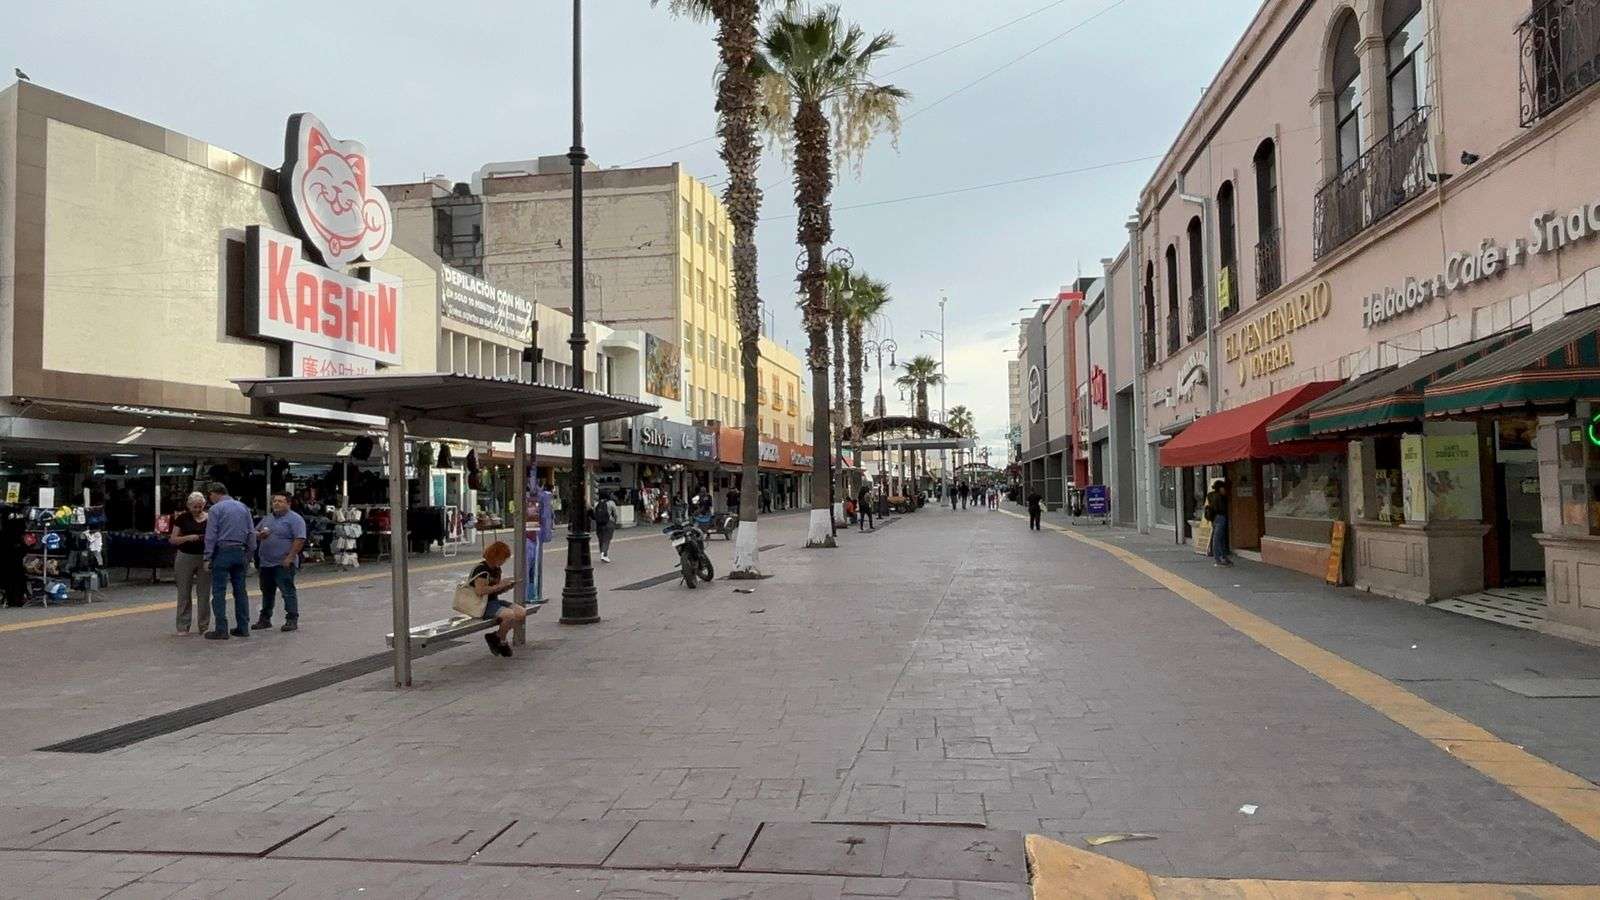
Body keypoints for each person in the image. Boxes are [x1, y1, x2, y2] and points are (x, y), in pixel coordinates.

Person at [202, 482, 256, 640]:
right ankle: (243, 627)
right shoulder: (243, 508)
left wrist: (207, 557)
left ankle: (221, 629)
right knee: (240, 591)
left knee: (219, 592)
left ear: (214, 493)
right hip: (240, 552)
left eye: (209, 495)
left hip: (222, 552)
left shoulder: (215, 509)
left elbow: (211, 535)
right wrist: (248, 555)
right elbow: (251, 533)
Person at [254, 492, 307, 632]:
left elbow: (300, 539)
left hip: (283, 563)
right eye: (274, 501)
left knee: (287, 592)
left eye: (280, 501)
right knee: (267, 592)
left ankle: (291, 619)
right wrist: (259, 535)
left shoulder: (295, 519)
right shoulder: (267, 518)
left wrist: (290, 557)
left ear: (288, 503)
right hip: (266, 563)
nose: (276, 504)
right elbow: (255, 532)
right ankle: (265, 619)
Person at [468, 540, 524, 657]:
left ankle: (496, 636)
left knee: (520, 612)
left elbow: (495, 590)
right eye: (502, 558)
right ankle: (502, 642)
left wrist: (506, 587)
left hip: (493, 601)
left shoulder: (497, 569)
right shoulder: (482, 570)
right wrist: (499, 585)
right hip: (481, 604)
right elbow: (480, 591)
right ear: (495, 556)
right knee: (509, 615)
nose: (504, 561)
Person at [170, 492, 210, 635]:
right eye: (194, 507)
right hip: (185, 556)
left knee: (204, 593)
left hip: (204, 557)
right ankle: (183, 626)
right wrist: (187, 538)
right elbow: (173, 539)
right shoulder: (182, 518)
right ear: (188, 506)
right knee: (184, 592)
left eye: (200, 506)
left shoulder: (210, 518)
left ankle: (204, 625)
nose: (197, 509)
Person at [1204, 478, 1233, 566]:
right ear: (1220, 488)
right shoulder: (1220, 497)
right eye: (1223, 488)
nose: (1225, 490)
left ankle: (1222, 557)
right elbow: (1221, 508)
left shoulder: (1210, 495)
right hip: (1220, 517)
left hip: (1213, 519)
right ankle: (1219, 558)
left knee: (1219, 538)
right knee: (1218, 539)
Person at [593, 490, 619, 563]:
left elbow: (594, 513)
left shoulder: (596, 503)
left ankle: (603, 553)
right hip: (609, 523)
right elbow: (616, 514)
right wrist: (615, 521)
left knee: (601, 539)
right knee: (606, 539)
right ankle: (604, 554)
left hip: (599, 524)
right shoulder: (611, 503)